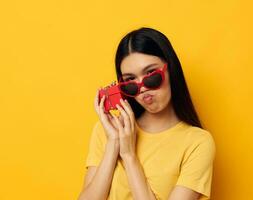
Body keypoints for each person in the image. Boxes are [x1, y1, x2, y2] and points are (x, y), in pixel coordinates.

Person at [78, 27, 216, 200]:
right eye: (130, 81)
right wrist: (113, 143)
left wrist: (129, 156)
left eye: (151, 75)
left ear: (170, 70)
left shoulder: (198, 143)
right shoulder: (106, 130)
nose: (142, 88)